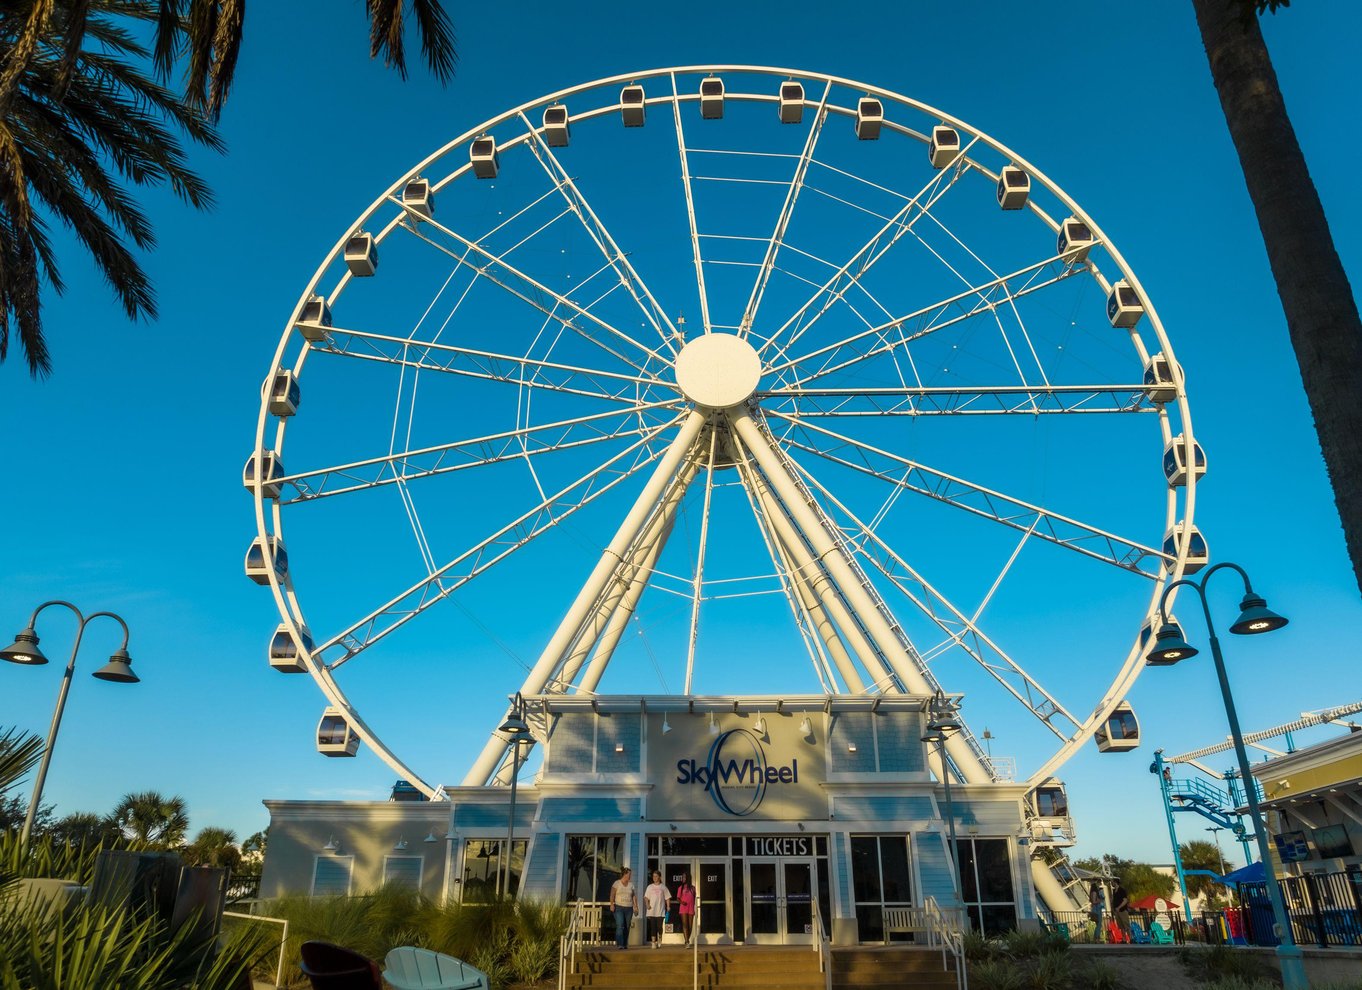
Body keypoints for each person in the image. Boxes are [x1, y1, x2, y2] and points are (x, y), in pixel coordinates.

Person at [609, 867, 638, 949]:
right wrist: (612, 904)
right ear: (625, 874)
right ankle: (619, 944)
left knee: (627, 926)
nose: (630, 876)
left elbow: (634, 896)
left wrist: (636, 906)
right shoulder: (616, 883)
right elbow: (612, 894)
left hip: (629, 908)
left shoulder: (631, 885)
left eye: (630, 874)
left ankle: (625, 944)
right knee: (620, 925)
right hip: (619, 907)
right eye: (629, 874)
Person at [643, 870, 671, 948]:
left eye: (656, 876)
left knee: (659, 927)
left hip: (660, 910)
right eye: (653, 876)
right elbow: (646, 897)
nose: (654, 878)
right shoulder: (650, 887)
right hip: (652, 910)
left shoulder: (663, 887)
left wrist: (668, 906)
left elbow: (667, 897)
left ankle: (660, 938)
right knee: (653, 927)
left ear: (659, 877)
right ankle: (653, 943)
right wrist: (647, 904)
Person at [676, 872, 697, 946]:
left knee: (690, 926)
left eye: (684, 877)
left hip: (691, 908)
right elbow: (678, 898)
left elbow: (694, 898)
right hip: (683, 908)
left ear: (688, 878)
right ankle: (687, 941)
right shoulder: (680, 888)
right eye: (682, 877)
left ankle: (687, 939)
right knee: (685, 925)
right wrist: (682, 902)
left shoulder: (693, 888)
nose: (683, 878)